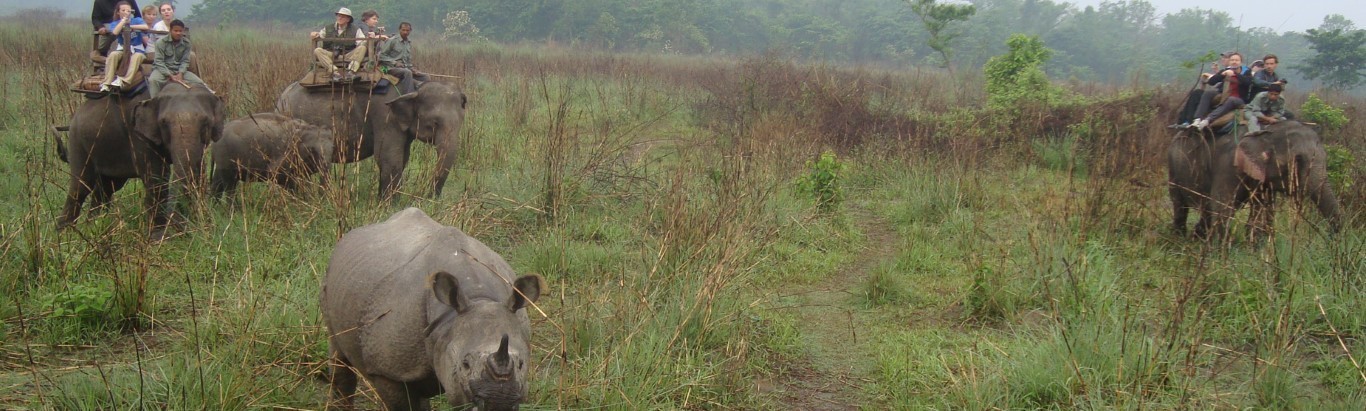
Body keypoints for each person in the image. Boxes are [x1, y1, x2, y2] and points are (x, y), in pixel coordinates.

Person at [1191, 52, 1253, 130]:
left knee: (1231, 99)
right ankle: (1197, 119)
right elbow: (1211, 82)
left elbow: (1248, 82)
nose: (1234, 62)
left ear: (1240, 62)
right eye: (1232, 60)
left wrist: (1235, 74)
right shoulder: (1226, 70)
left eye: (1237, 60)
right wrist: (1222, 75)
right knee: (1208, 93)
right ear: (1229, 62)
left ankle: (1208, 120)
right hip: (1224, 95)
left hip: (1239, 99)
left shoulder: (1247, 71)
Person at [99, 1, 151, 92]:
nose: (126, 12)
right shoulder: (115, 23)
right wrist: (123, 22)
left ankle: (123, 80)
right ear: (118, 12)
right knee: (113, 55)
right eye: (123, 10)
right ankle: (106, 83)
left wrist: (131, 26)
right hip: (122, 49)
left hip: (137, 49)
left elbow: (146, 27)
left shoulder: (137, 20)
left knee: (137, 57)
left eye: (128, 10)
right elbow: (115, 32)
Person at [149, 19, 207, 97]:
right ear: (170, 30)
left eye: (180, 31)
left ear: (183, 31)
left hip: (178, 69)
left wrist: (181, 73)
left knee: (199, 82)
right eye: (175, 31)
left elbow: (185, 61)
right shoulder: (161, 42)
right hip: (163, 70)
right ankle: (153, 102)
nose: (178, 33)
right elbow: (159, 61)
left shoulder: (187, 43)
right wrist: (169, 75)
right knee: (153, 80)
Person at [310, 7, 367, 82]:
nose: (340, 18)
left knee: (362, 48)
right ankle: (335, 73)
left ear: (348, 19)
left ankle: (351, 72)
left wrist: (369, 38)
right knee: (317, 50)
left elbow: (362, 41)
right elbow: (319, 35)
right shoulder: (328, 28)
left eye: (343, 16)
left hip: (348, 55)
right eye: (339, 16)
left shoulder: (355, 29)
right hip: (332, 55)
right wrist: (314, 34)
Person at [378, 22, 429, 94]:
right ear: (399, 30)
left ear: (410, 31)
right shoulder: (392, 40)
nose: (405, 32)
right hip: (387, 68)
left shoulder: (408, 43)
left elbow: (407, 60)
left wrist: (412, 68)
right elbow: (382, 56)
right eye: (403, 30)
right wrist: (395, 63)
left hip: (403, 68)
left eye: (407, 30)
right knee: (407, 73)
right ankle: (408, 95)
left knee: (425, 77)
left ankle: (423, 94)